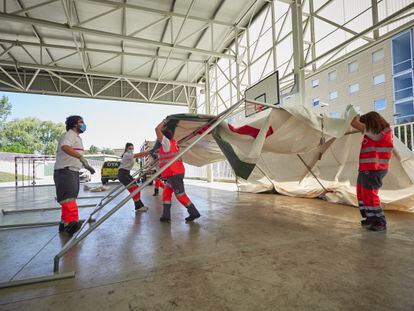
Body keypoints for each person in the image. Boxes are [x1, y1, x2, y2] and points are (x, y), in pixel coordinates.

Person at [351, 112, 393, 232]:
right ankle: (370, 217)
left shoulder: (378, 133)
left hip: (374, 169)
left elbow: (354, 123)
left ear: (370, 123)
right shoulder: (376, 133)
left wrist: (353, 114)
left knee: (370, 195)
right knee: (362, 193)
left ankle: (379, 221)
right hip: (368, 169)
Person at [54, 115, 95, 236]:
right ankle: (72, 222)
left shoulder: (76, 137)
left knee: (69, 197)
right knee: (69, 198)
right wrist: (81, 157)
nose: (83, 124)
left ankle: (64, 223)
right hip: (65, 171)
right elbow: (65, 147)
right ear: (74, 124)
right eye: (81, 122)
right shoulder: (70, 134)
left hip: (71, 171)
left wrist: (84, 164)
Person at [155, 120, 201, 222]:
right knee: (166, 193)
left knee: (180, 195)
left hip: (174, 174)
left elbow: (157, 129)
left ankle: (194, 212)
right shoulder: (173, 143)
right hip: (172, 174)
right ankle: (166, 216)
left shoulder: (166, 143)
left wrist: (164, 121)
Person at [118, 143, 149, 212]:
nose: (131, 150)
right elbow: (138, 155)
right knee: (134, 189)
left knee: (136, 188)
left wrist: (147, 153)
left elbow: (140, 155)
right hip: (123, 174)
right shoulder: (127, 154)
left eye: (132, 148)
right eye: (130, 148)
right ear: (126, 149)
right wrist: (149, 151)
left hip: (126, 173)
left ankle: (140, 206)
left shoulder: (129, 155)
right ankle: (138, 207)